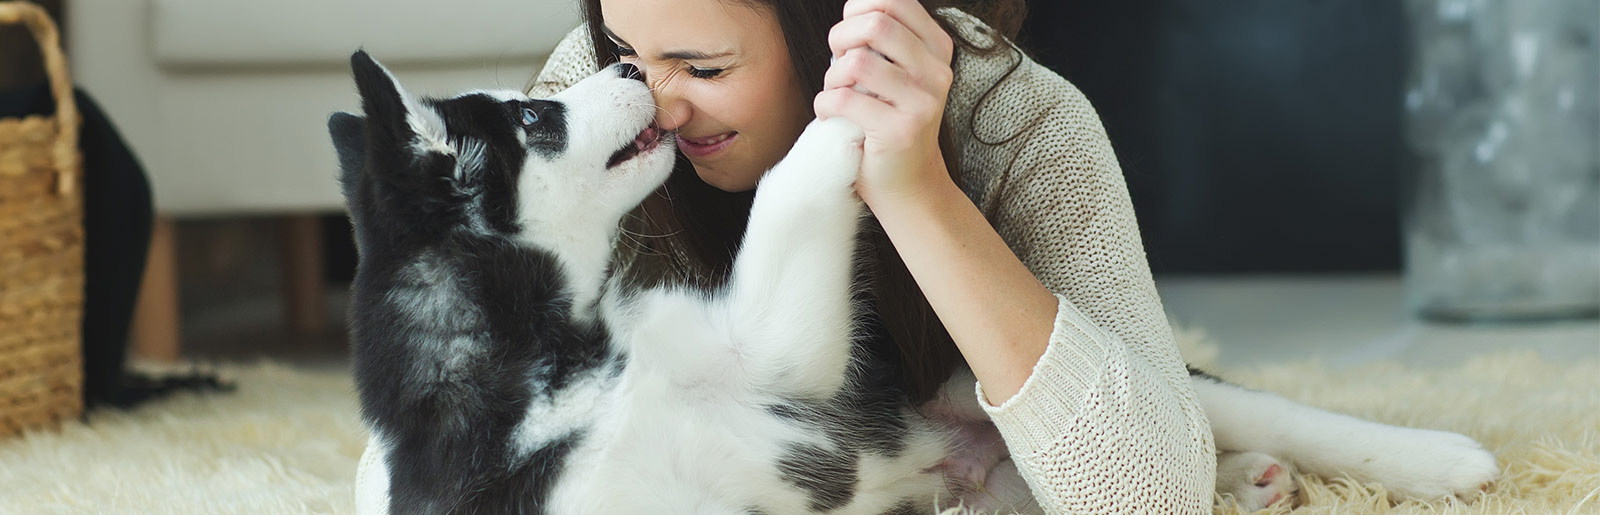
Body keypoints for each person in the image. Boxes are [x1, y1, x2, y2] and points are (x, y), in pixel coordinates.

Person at [522, 0, 1217, 511]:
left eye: (703, 68)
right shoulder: (592, 96)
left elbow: (1157, 497)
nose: (657, 109)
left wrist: (916, 190)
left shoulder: (1017, 122)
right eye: (625, 52)